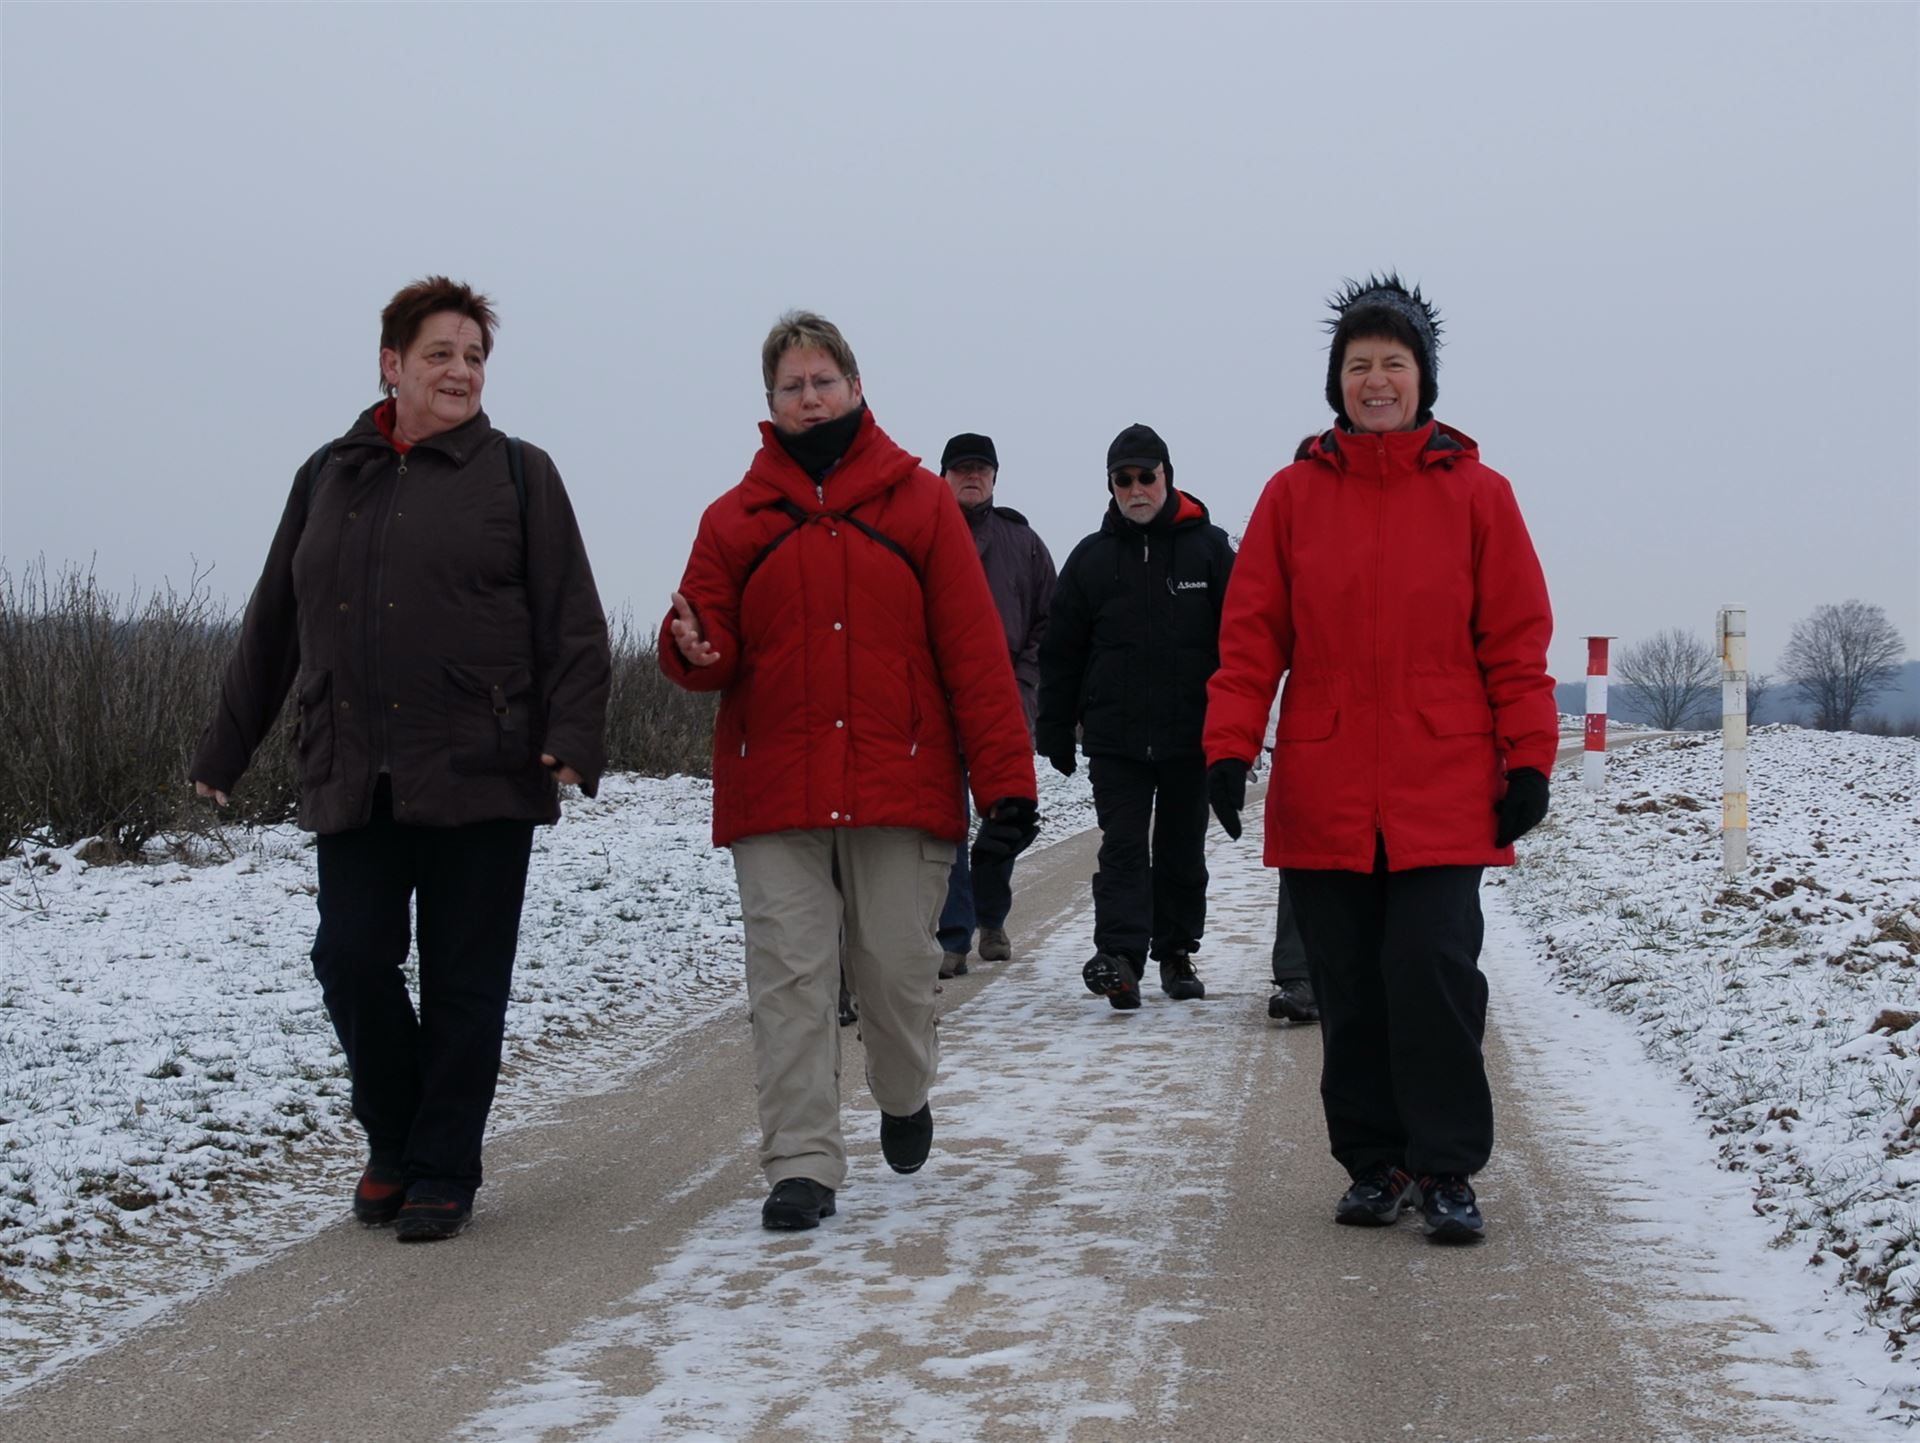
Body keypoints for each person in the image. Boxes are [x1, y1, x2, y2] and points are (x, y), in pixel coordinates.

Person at [191, 276, 611, 1243]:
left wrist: (573, 735)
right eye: (440, 354)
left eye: (474, 356)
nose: (461, 371)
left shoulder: (519, 474)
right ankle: (396, 1135)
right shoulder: (328, 476)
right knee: (349, 960)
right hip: (356, 766)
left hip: (484, 768)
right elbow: (275, 619)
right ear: (391, 364)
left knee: (465, 983)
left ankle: (440, 1169)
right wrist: (227, 743)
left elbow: (574, 619)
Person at [661, 311, 1038, 1232]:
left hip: (897, 785)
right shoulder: (734, 518)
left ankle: (903, 1093)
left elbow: (974, 653)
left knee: (897, 974)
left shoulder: (921, 505)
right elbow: (704, 641)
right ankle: (801, 1162)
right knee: (789, 981)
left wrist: (1006, 783)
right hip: (775, 792)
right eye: (792, 385)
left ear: (856, 387)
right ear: (771, 401)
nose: (810, 397)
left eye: (823, 380)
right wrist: (693, 647)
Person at [1203, 275, 1555, 1244]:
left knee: (1432, 971)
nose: (1376, 380)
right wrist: (1228, 746)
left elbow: (1516, 641)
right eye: (1359, 365)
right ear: (1336, 382)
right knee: (1349, 986)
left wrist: (1529, 761)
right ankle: (1375, 1162)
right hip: (1326, 783)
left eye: (1394, 363)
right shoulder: (1291, 497)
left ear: (1423, 379)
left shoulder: (1480, 496)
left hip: (1444, 783)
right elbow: (1250, 639)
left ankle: (1446, 1167)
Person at [1036, 424, 1235, 1010]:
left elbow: (1240, 645)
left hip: (1190, 736)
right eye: (1122, 480)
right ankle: (1120, 959)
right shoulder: (1091, 559)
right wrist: (1054, 726)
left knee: (1181, 849)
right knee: (1122, 847)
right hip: (1116, 738)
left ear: (1167, 476)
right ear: (1111, 487)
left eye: (1146, 476)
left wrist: (1237, 732)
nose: (1136, 489)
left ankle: (1175, 952)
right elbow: (1062, 651)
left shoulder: (1210, 551)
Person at [933, 432, 1057, 979]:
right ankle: (952, 937)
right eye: (961, 468)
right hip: (938, 703)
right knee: (947, 824)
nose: (972, 477)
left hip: (1004, 701)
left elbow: (1049, 623)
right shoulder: (923, 535)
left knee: (1004, 820)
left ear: (994, 478)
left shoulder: (1022, 542)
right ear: (943, 477)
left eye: (981, 469)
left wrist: (1025, 685)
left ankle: (992, 919)